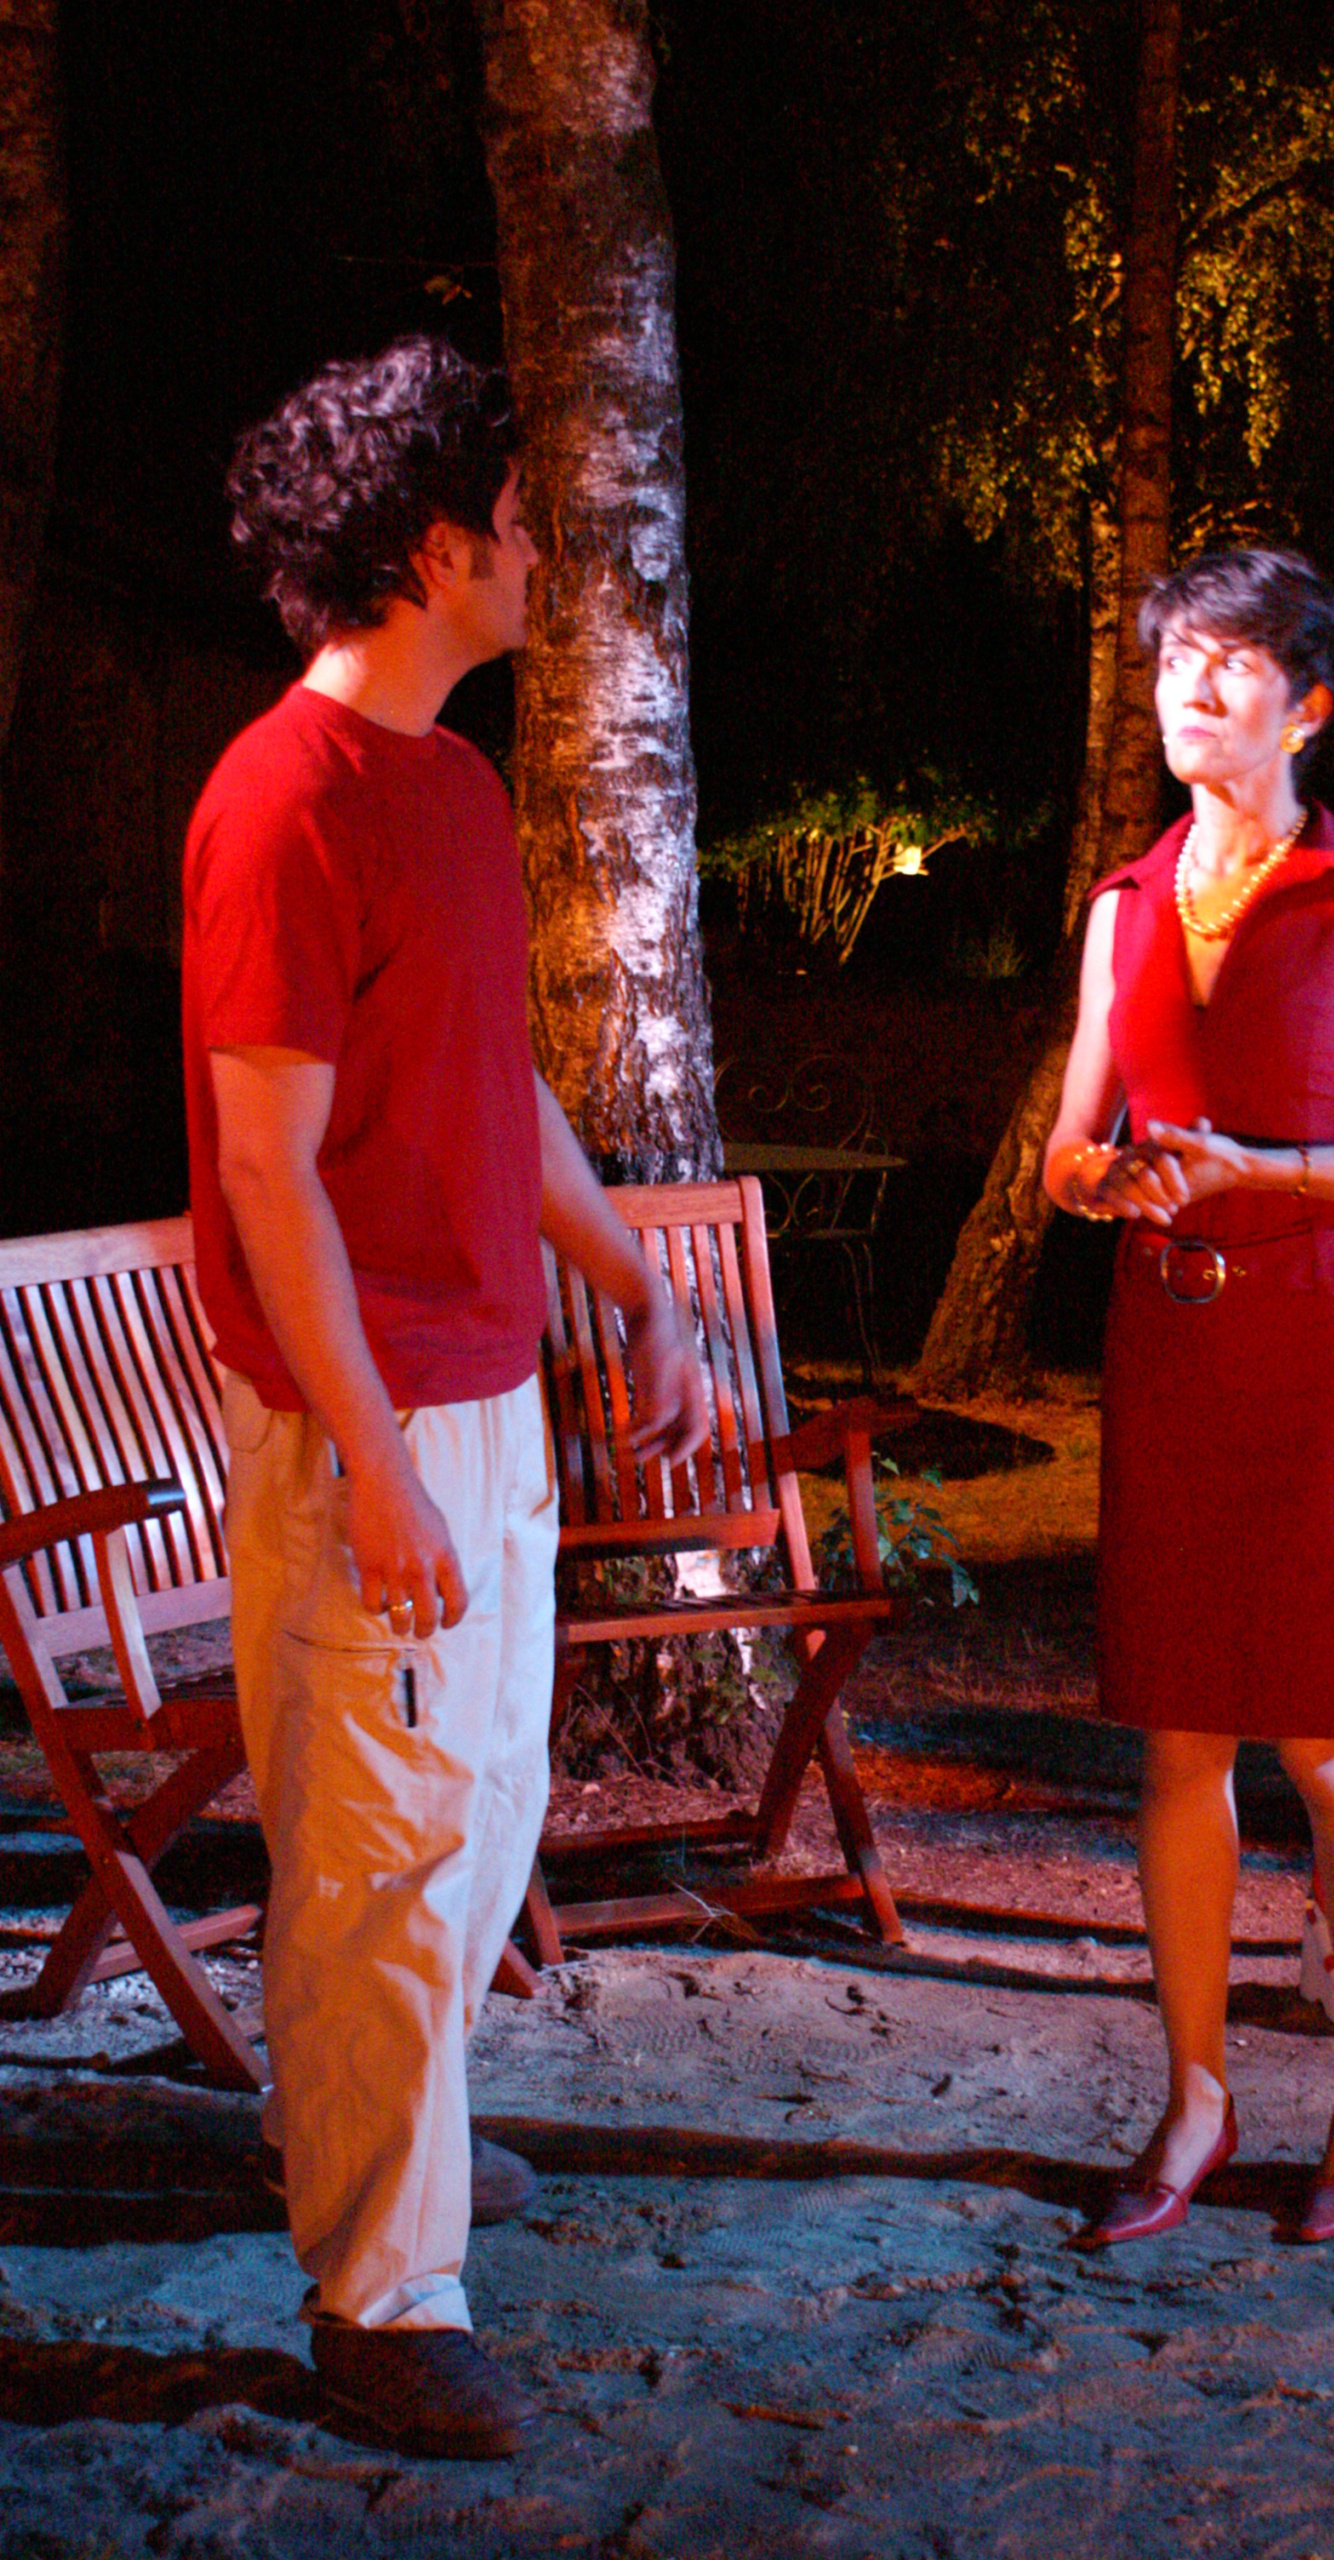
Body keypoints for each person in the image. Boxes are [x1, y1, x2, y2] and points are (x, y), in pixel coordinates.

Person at [182, 336, 707, 2457]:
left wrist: (635, 1283)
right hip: (365, 1421)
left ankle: (376, 2131)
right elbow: (267, 1171)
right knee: (384, 1859)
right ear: (426, 551)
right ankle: (383, 2300)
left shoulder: (457, 792)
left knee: (473, 1825)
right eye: (509, 520)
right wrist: (378, 1461)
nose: (536, 553)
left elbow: (500, 1091)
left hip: (486, 1402)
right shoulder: (284, 801)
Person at [1044, 550, 1334, 2247]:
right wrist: (1105, 1182)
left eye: (1229, 665)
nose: (1192, 689)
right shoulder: (1125, 905)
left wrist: (1266, 1168)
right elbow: (1064, 1151)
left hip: (1323, 1347)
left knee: (1325, 1734)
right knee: (1177, 1736)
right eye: (1177, 662)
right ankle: (1194, 2097)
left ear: (1305, 708)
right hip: (1170, 1344)